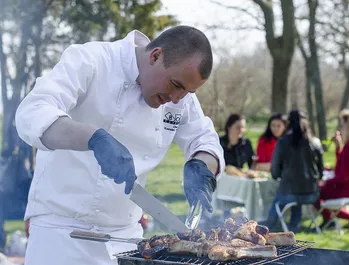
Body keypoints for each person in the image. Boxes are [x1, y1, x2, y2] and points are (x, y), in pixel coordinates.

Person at [14, 26, 225, 265]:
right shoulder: (91, 60)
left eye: (188, 92)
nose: (177, 99)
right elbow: (32, 113)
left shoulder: (180, 96)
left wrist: (201, 164)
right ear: (155, 56)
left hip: (126, 239)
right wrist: (93, 139)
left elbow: (204, 139)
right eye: (176, 86)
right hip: (60, 235)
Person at [265, 110, 323, 232]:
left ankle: (268, 228)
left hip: (289, 194)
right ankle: (293, 226)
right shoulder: (315, 142)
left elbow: (274, 172)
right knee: (296, 194)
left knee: (281, 199)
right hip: (312, 194)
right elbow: (320, 171)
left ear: (288, 124)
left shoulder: (283, 142)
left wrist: (283, 175)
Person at [317, 109, 349, 229]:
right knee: (319, 191)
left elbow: (344, 176)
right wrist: (338, 147)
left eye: (342, 125)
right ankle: (333, 220)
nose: (339, 128)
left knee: (314, 194)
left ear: (348, 128)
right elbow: (345, 166)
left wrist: (325, 182)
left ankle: (347, 217)